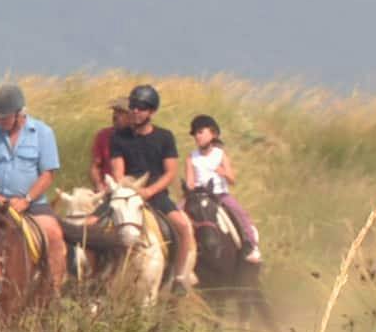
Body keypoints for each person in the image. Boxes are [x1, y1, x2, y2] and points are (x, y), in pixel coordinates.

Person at [0, 84, 69, 296]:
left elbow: (47, 174)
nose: (0, 121)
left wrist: (26, 200)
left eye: (5, 117)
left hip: (32, 204)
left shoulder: (43, 133)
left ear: (19, 114)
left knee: (53, 234)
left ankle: (53, 290)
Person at [102, 83, 198, 286]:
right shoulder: (118, 138)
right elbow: (117, 169)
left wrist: (149, 191)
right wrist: (124, 189)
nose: (136, 112)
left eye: (142, 108)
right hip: (127, 194)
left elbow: (170, 172)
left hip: (156, 194)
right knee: (91, 224)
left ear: (152, 112)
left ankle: (179, 276)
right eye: (134, 107)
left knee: (182, 227)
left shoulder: (164, 137)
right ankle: (95, 275)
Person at [187, 114, 263, 263]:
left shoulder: (220, 155)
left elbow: (232, 179)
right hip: (199, 196)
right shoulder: (191, 157)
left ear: (213, 133)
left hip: (219, 195)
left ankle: (251, 245)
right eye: (195, 133)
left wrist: (224, 173)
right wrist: (190, 189)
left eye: (201, 132)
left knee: (240, 214)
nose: (197, 136)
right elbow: (190, 180)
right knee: (178, 211)